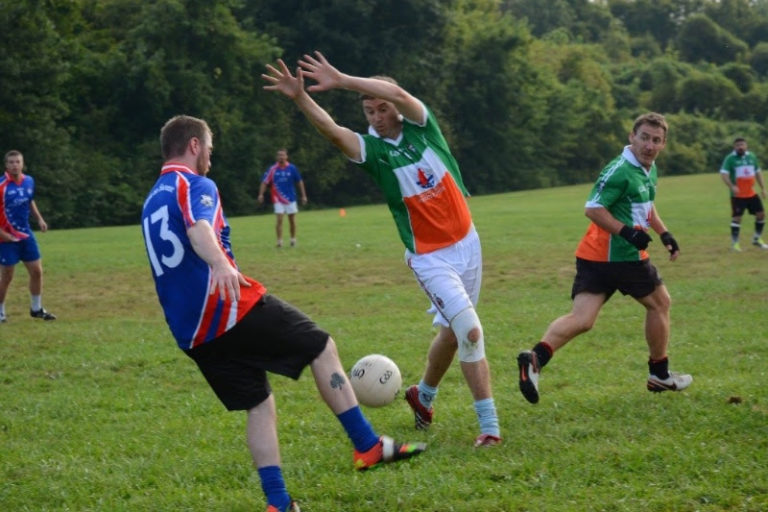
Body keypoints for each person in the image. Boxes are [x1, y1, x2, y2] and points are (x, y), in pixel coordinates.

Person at [141, 115, 424, 512]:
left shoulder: (153, 197)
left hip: (191, 332)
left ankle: (279, 503)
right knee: (321, 346)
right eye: (208, 148)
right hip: (225, 306)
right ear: (193, 146)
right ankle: (368, 446)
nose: (210, 156)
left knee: (260, 404)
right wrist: (222, 265)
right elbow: (199, 230)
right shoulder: (194, 184)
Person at [262, 52, 502, 447]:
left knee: (453, 332)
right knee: (470, 330)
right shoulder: (373, 153)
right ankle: (489, 428)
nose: (376, 116)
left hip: (469, 243)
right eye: (369, 111)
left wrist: (341, 79)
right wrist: (301, 98)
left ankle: (422, 396)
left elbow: (396, 90)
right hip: (430, 258)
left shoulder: (424, 128)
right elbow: (334, 132)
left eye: (382, 108)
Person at [516, 112, 692, 404]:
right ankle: (659, 374)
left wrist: (664, 233)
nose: (649, 145)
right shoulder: (620, 169)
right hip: (621, 256)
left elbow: (646, 207)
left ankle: (535, 359)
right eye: (644, 137)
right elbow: (593, 208)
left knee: (582, 319)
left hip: (594, 256)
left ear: (663, 144)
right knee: (661, 303)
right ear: (631, 137)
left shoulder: (648, 168)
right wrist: (627, 233)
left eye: (656, 140)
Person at [0, 150, 56, 323]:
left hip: (25, 234)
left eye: (18, 161)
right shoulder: (1, 186)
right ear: (6, 165)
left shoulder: (29, 181)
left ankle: (36, 308)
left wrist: (39, 219)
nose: (15, 165)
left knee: (37, 271)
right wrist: (3, 234)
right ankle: (0, 311)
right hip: (5, 238)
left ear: (22, 163)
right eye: (11, 162)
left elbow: (30, 200)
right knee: (7, 276)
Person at [718, 137, 768, 251]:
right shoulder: (730, 159)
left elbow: (758, 172)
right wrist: (732, 186)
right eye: (738, 145)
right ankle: (735, 244)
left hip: (751, 193)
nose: (740, 147)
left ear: (746, 146)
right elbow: (724, 174)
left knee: (761, 215)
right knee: (737, 218)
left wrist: (763, 188)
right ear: (734, 147)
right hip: (738, 195)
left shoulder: (752, 157)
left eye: (742, 145)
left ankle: (757, 239)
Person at [257, 148, 308, 248]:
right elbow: (265, 182)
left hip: (291, 198)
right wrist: (261, 194)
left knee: (292, 220)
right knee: (279, 219)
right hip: (277, 199)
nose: (281, 157)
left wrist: (304, 195)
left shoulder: (292, 168)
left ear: (286, 156)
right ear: (277, 157)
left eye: (283, 155)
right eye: (279, 155)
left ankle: (293, 239)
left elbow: (299, 182)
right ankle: (279, 241)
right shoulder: (272, 169)